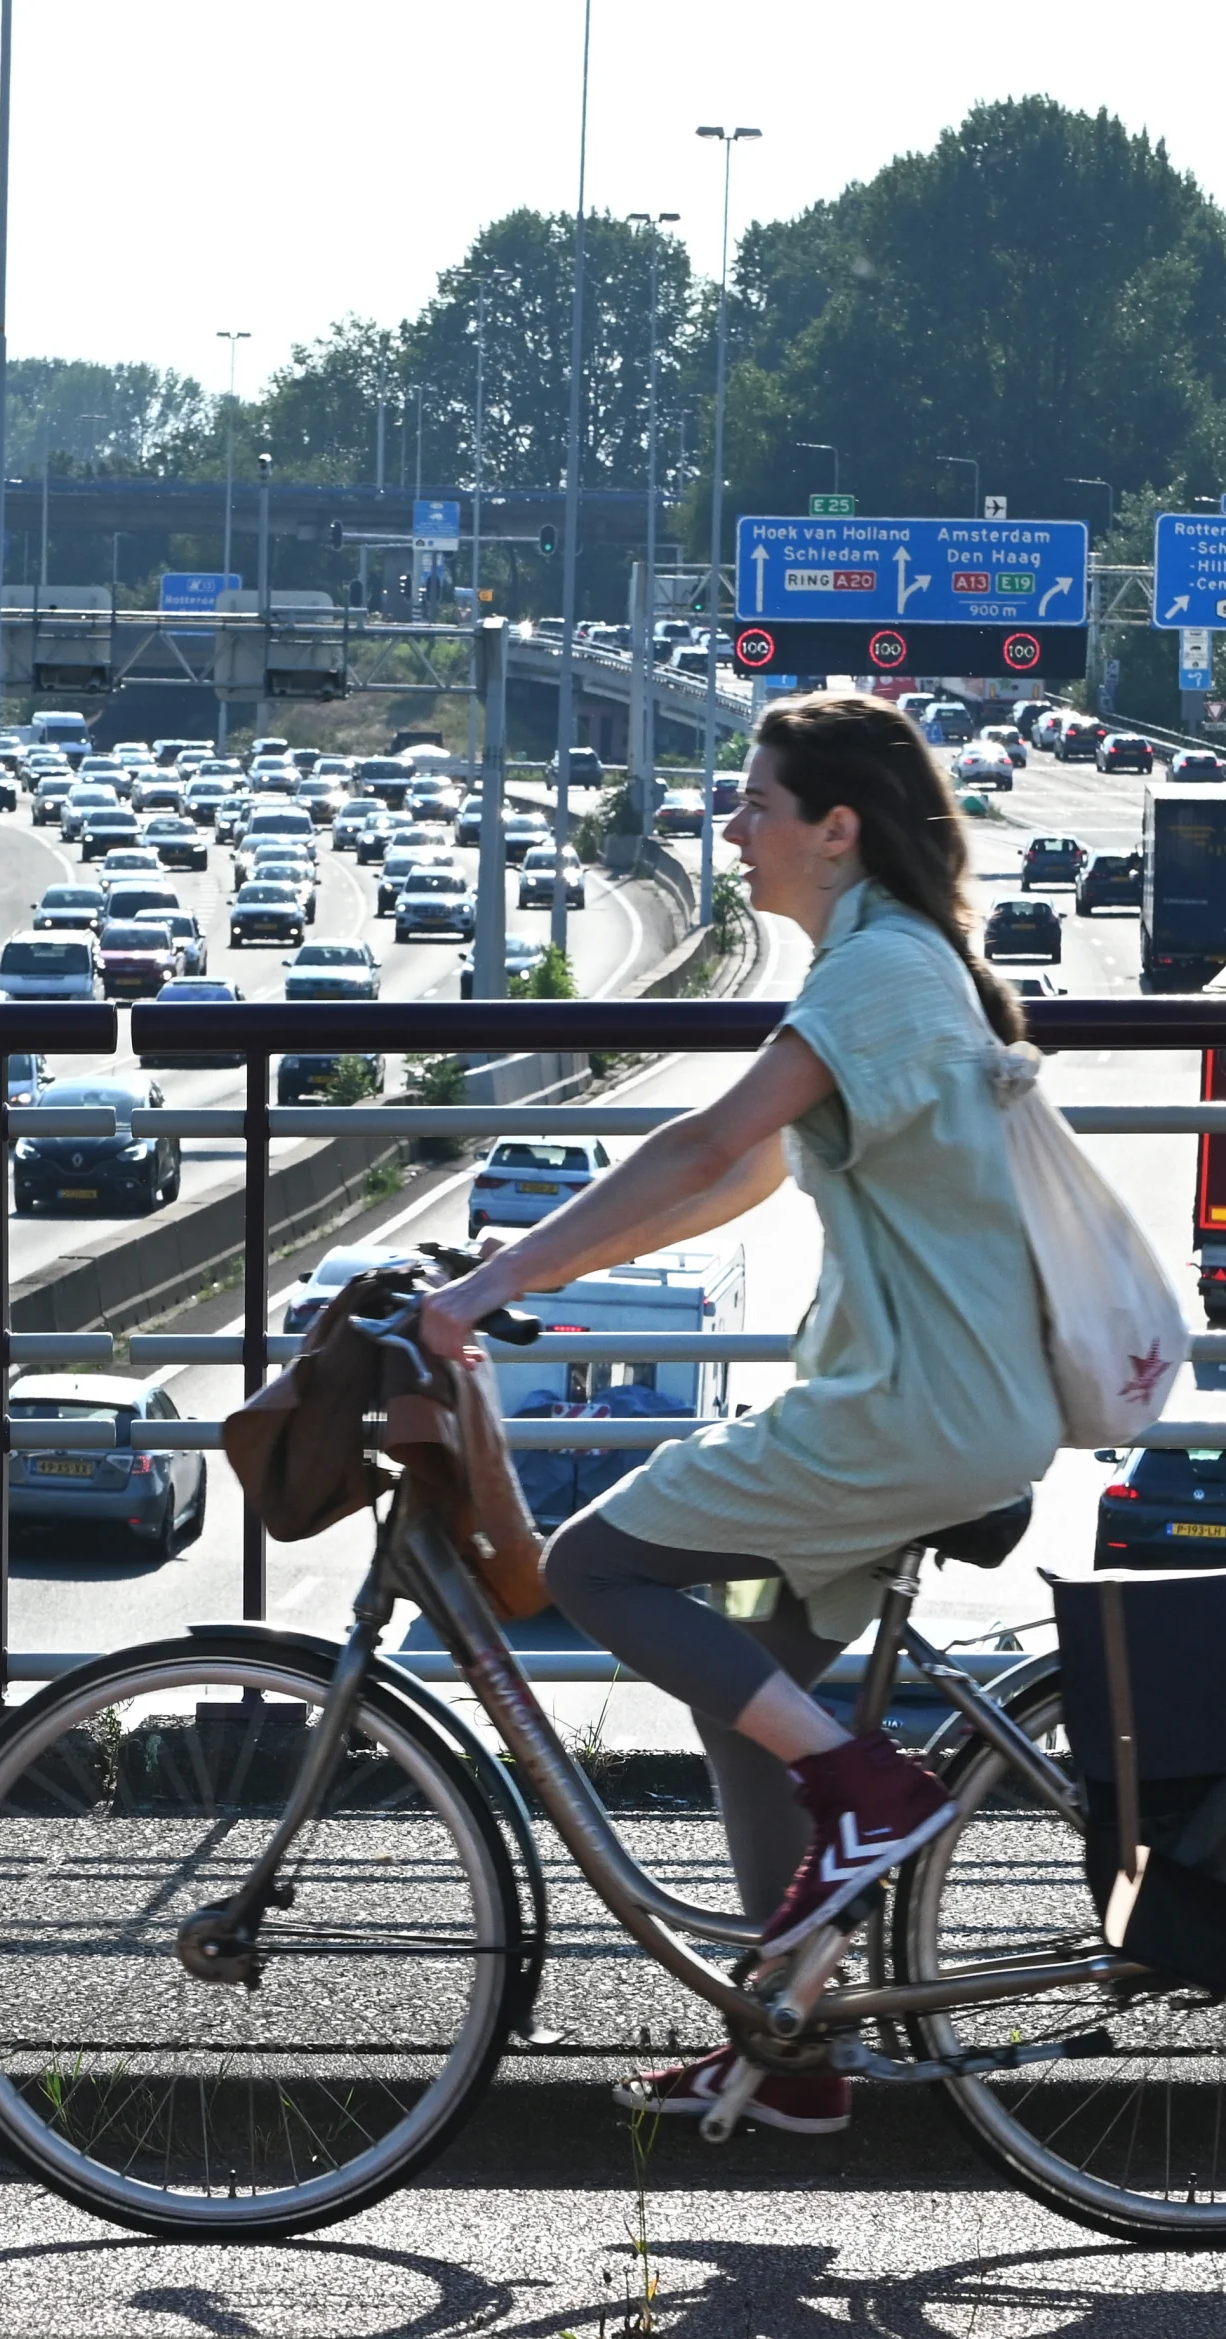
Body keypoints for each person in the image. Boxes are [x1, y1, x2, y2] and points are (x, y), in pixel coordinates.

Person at [415, 693, 1062, 2134]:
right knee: (743, 1696)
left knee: (593, 1567)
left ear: (838, 829)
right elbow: (742, 1181)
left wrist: (493, 1281)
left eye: (757, 803)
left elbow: (708, 1135)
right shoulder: (885, 958)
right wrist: (537, 1271)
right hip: (935, 1404)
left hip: (914, 1411)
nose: (733, 827)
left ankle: (864, 1785)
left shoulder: (881, 971)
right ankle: (795, 2039)